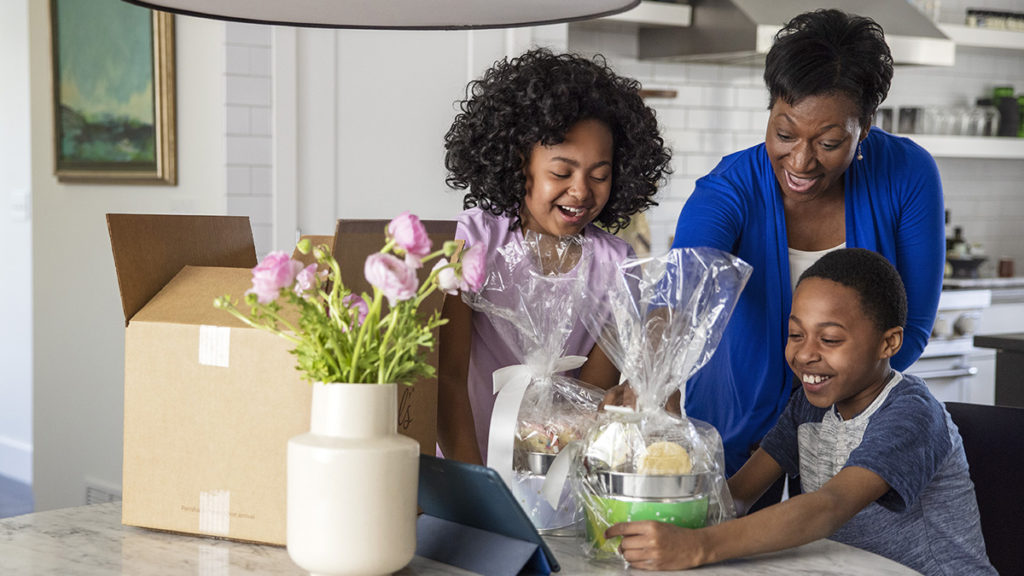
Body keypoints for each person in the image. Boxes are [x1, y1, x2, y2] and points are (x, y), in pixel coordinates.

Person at [671, 9, 945, 482]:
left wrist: (818, 406)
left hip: (848, 432)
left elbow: (911, 325)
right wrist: (654, 379)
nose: (800, 160)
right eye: (784, 133)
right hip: (730, 427)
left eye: (829, 142)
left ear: (865, 125)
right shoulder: (729, 188)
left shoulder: (906, 175)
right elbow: (680, 295)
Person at [607, 248, 995, 575]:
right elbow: (737, 498)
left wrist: (698, 546)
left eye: (829, 339)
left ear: (888, 343)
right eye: (796, 334)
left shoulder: (910, 413)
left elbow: (828, 507)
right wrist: (666, 437)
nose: (805, 353)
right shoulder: (808, 405)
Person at [437, 48, 673, 465]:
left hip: (553, 472)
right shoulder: (473, 241)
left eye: (599, 175)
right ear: (517, 162)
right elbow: (448, 380)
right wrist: (479, 486)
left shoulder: (615, 264)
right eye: (561, 173)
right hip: (464, 463)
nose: (581, 191)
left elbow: (587, 401)